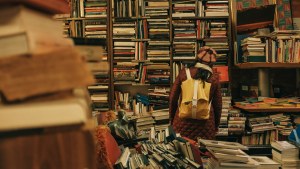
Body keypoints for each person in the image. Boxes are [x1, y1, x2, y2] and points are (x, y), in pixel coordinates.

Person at [169, 46, 222, 141]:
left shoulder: (184, 73)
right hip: (206, 125)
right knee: (203, 153)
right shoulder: (214, 77)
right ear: (212, 62)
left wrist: (172, 119)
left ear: (197, 57)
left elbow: (173, 98)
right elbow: (218, 104)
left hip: (182, 123)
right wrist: (216, 125)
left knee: (182, 151)